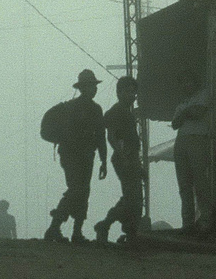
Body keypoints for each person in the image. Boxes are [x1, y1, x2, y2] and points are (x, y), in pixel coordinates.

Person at [45, 69, 107, 242]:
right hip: (73, 156)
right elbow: (98, 136)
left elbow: (100, 136)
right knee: (77, 190)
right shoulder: (74, 108)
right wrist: (102, 159)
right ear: (82, 88)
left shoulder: (95, 109)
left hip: (86, 156)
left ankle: (75, 231)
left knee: (82, 192)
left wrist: (103, 160)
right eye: (90, 86)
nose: (94, 89)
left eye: (94, 86)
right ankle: (56, 227)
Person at [93, 75, 143, 243]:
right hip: (125, 158)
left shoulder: (126, 113)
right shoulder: (116, 112)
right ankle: (107, 225)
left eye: (134, 92)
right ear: (119, 93)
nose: (132, 96)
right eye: (128, 92)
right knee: (132, 197)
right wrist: (124, 156)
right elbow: (112, 137)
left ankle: (129, 231)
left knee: (133, 197)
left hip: (130, 157)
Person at [170, 74, 214, 235]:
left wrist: (185, 113)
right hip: (181, 140)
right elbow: (175, 123)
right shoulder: (183, 102)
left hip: (198, 139)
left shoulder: (203, 94)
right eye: (183, 82)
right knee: (184, 184)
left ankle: (206, 220)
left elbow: (197, 113)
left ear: (195, 82)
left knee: (200, 181)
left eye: (188, 81)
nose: (185, 85)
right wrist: (187, 111)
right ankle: (187, 222)